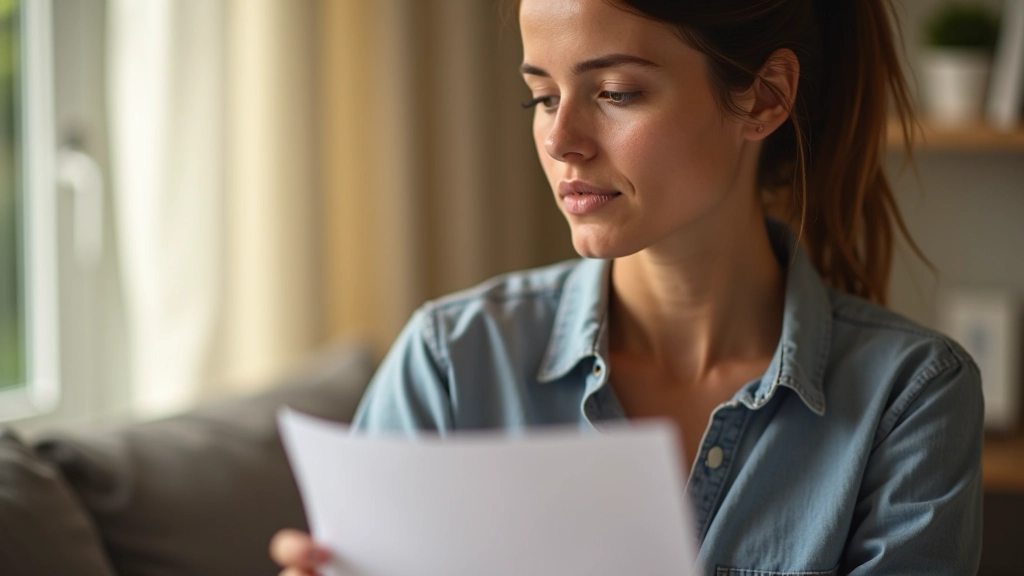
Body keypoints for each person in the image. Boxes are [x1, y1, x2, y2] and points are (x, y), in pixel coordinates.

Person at [271, 0, 984, 574]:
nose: (562, 140)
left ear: (765, 98)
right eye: (542, 97)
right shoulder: (450, 364)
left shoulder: (911, 398)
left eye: (616, 92)